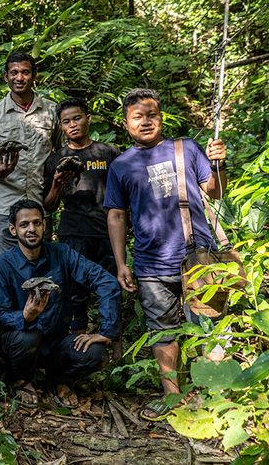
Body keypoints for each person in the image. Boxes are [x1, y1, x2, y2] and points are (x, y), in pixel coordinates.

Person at [104, 88, 227, 421]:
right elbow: (116, 215)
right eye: (138, 117)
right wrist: (121, 263)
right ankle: (172, 396)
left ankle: (215, 397)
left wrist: (218, 164)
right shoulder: (121, 165)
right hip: (150, 264)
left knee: (209, 326)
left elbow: (214, 191)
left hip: (197, 257)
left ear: (161, 118)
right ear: (126, 123)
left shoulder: (186, 148)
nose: (146, 122)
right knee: (162, 330)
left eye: (152, 115)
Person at [0, 200, 121, 407]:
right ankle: (22, 379)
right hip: (20, 343)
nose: (31, 229)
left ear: (44, 225)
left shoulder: (62, 253)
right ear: (13, 230)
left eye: (37, 223)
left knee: (96, 353)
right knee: (26, 338)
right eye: (24, 224)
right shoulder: (2, 265)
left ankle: (59, 379)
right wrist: (25, 316)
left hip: (56, 342)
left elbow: (106, 281)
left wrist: (107, 331)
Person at [42, 98, 120, 334]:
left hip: (107, 232)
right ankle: (78, 343)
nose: (73, 125)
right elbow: (49, 205)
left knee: (112, 287)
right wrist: (57, 184)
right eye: (66, 122)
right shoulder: (55, 159)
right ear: (61, 126)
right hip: (73, 232)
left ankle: (114, 345)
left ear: (88, 118)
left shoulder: (109, 153)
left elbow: (123, 196)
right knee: (75, 292)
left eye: (77, 118)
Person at [0, 52, 60, 257]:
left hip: (40, 203)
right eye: (14, 73)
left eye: (25, 72)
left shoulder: (52, 111)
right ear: (6, 76)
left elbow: (62, 152)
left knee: (40, 262)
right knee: (6, 264)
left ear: (34, 75)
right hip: (3, 206)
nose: (19, 77)